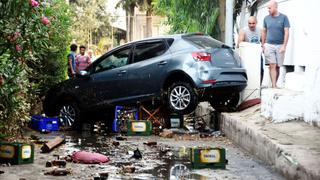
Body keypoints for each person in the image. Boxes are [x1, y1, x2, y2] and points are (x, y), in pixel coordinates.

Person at [261, 0, 290, 88]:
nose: (268, 10)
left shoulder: (284, 17)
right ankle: (273, 85)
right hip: (269, 45)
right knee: (272, 65)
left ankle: (275, 83)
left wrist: (284, 46)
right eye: (268, 8)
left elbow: (287, 32)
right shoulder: (266, 18)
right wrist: (263, 45)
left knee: (277, 66)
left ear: (275, 7)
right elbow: (264, 32)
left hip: (280, 45)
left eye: (269, 8)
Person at [237, 16, 264, 84]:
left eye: (253, 23)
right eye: (250, 23)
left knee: (261, 70)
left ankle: (259, 86)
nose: (251, 25)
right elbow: (239, 45)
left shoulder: (260, 30)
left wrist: (263, 48)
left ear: (256, 23)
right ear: (247, 23)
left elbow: (263, 42)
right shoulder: (243, 31)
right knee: (249, 71)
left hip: (257, 54)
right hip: (247, 55)